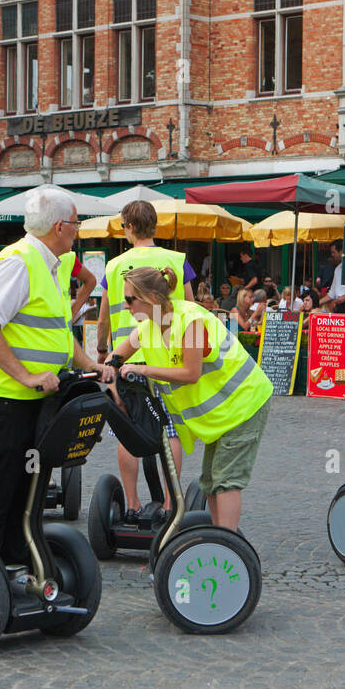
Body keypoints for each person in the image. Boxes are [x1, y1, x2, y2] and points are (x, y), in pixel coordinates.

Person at [0, 189, 114, 562]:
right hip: (2, 396)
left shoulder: (53, 265)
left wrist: (91, 365)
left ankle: (15, 561)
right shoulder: (18, 262)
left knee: (27, 488)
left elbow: (58, 334)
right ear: (60, 226)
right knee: (0, 489)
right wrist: (26, 375)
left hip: (31, 399)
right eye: (76, 224)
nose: (78, 232)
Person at [108, 266, 271, 531]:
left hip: (245, 403)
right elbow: (114, 359)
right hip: (222, 414)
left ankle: (228, 545)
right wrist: (112, 381)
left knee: (226, 481)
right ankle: (220, 540)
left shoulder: (190, 320)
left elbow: (191, 373)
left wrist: (142, 369)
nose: (125, 306)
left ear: (150, 298)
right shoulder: (149, 327)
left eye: (129, 299)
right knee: (210, 483)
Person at [96, 200, 195, 525]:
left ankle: (133, 502)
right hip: (167, 354)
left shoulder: (114, 265)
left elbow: (103, 318)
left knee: (128, 427)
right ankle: (170, 502)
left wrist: (102, 352)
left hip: (124, 360)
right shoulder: (176, 260)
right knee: (170, 428)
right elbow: (193, 309)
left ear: (130, 226)